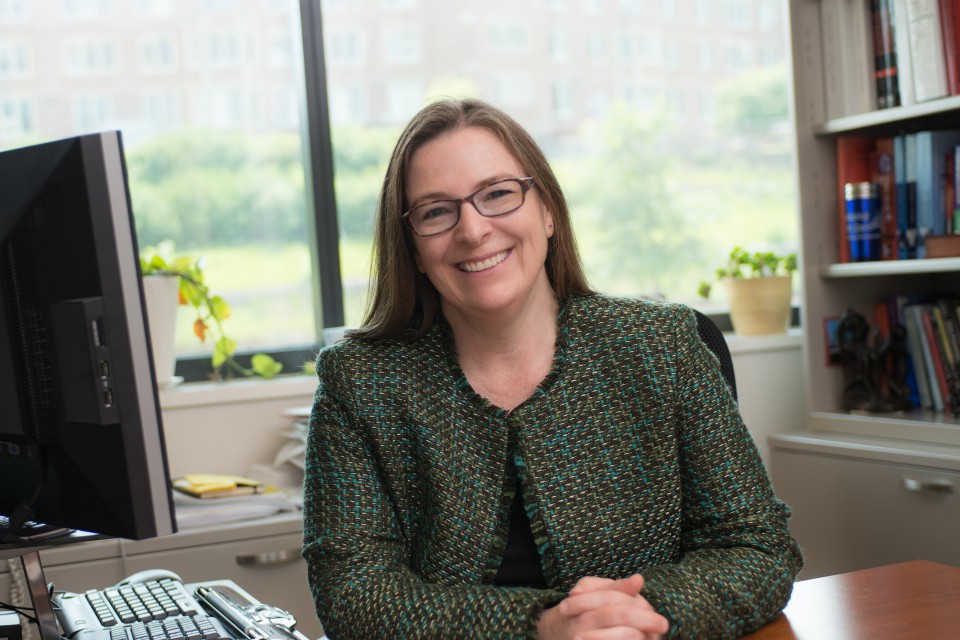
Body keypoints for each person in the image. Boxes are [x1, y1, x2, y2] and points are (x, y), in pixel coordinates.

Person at [301, 97, 803, 639]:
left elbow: (757, 547)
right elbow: (353, 595)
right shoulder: (360, 382)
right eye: (436, 211)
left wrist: (636, 616)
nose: (472, 230)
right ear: (413, 248)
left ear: (547, 211)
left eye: (497, 194)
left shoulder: (663, 346)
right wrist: (541, 627)